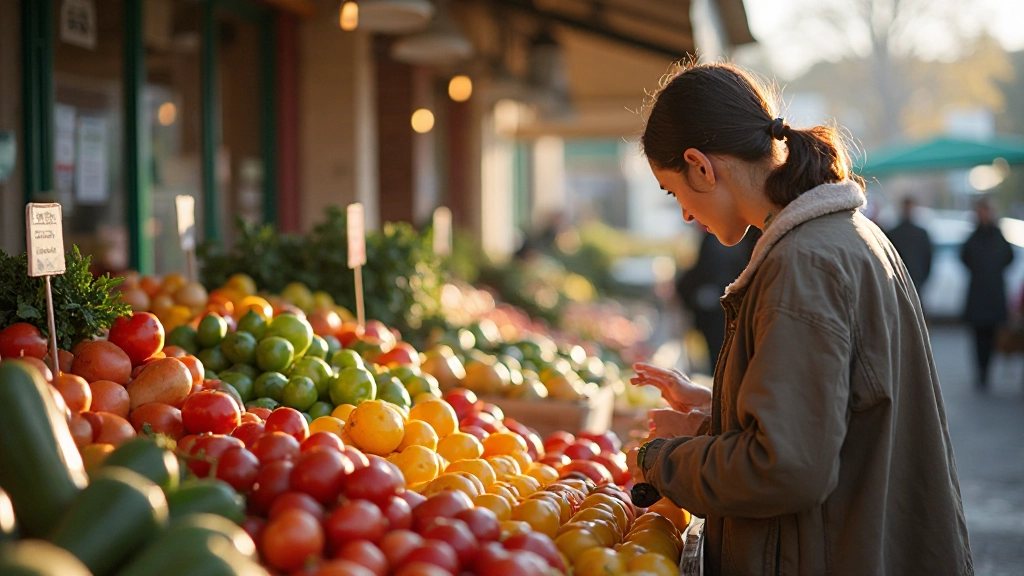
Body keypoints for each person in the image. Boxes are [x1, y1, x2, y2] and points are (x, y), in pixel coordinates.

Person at [625, 63, 972, 575]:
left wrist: (660, 459)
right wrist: (714, 416)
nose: (685, 215)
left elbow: (784, 469)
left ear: (700, 167)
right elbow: (829, 432)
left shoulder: (802, 264)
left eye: (673, 192)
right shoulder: (845, 234)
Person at [675, 229, 756, 373]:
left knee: (721, 359)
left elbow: (702, 271)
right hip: (724, 308)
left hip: (716, 310)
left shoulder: (717, 239)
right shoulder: (731, 239)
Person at [961, 198, 1014, 390]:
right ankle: (981, 371)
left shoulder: (998, 237)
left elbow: (1008, 258)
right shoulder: (973, 238)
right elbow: (965, 258)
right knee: (978, 336)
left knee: (992, 336)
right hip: (978, 294)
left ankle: (987, 370)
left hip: (993, 294)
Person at [886, 196, 933, 291]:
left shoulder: (920, 234)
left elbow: (927, 258)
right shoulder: (893, 233)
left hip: (913, 279)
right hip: (901, 279)